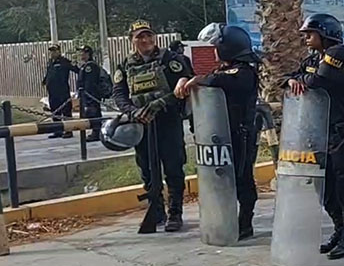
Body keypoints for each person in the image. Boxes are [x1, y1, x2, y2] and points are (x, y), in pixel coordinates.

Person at [281, 13, 344, 259]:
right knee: (324, 188)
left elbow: (320, 79)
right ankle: (339, 229)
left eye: (310, 34)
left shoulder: (340, 53)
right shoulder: (313, 58)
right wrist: (294, 80)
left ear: (325, 33)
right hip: (321, 135)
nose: (306, 38)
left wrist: (301, 79)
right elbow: (287, 79)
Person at [175, 24, 260, 240]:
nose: (213, 51)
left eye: (217, 46)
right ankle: (224, 220)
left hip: (240, 135)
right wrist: (185, 80)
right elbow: (209, 81)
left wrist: (199, 79)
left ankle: (245, 223)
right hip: (221, 137)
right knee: (221, 180)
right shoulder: (222, 70)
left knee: (242, 179)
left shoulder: (245, 72)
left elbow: (220, 81)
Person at [112, 20, 193, 232]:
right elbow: (119, 94)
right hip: (141, 124)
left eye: (148, 35)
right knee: (147, 169)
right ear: (132, 40)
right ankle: (155, 209)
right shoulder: (125, 65)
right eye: (139, 37)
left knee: (174, 167)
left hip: (167, 121)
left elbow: (184, 86)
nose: (145, 40)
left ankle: (175, 212)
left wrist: (158, 105)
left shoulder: (170, 59)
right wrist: (132, 112)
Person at [42, 44, 77, 138]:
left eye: (54, 51)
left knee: (66, 111)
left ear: (59, 51)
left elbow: (76, 69)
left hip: (62, 91)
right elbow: (49, 73)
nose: (52, 53)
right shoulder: (50, 62)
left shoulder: (64, 61)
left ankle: (69, 131)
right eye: (51, 51)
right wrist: (45, 81)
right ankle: (58, 130)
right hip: (52, 92)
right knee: (55, 111)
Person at [76, 46, 102, 141]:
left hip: (91, 95)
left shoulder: (90, 66)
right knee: (90, 114)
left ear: (88, 54)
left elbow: (90, 83)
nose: (81, 55)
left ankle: (96, 132)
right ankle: (95, 131)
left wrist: (87, 95)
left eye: (83, 53)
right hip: (87, 95)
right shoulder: (85, 65)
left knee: (94, 113)